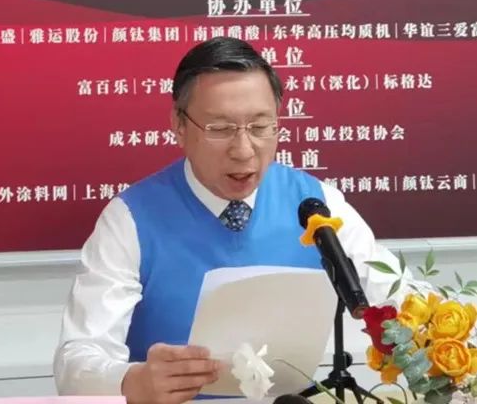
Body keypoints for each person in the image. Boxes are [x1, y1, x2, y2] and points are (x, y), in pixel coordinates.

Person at [54, 37, 405, 403]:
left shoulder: (317, 205)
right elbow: (75, 363)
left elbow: (402, 301)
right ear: (179, 125)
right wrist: (132, 382)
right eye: (220, 129)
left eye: (260, 127)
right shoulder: (130, 219)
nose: (243, 150)